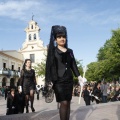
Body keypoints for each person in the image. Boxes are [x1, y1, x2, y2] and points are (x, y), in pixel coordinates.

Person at [45, 25, 84, 120]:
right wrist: (49, 81)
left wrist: (79, 77)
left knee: (68, 102)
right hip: (58, 81)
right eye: (59, 37)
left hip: (69, 80)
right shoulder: (52, 51)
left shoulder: (70, 51)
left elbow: (73, 65)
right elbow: (49, 66)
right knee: (64, 102)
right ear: (55, 39)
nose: (62, 39)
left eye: (63, 37)